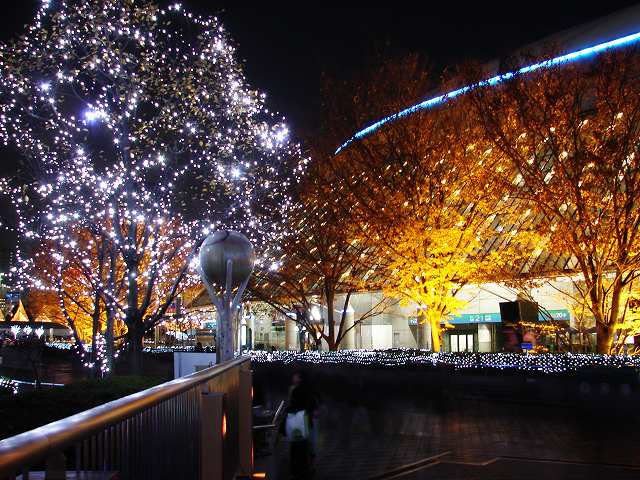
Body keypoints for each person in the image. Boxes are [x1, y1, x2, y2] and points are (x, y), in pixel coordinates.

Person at [283, 371, 320, 479]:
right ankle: (307, 469)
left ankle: (296, 472)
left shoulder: (296, 390)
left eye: (296, 377)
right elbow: (313, 405)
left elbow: (292, 405)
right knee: (306, 446)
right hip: (307, 421)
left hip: (297, 422)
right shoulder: (310, 389)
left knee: (296, 447)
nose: (294, 378)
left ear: (300, 378)